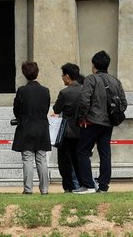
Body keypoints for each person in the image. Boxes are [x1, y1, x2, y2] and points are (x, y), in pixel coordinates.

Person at [74, 50, 127, 194]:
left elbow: (85, 100)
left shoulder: (91, 79)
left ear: (94, 65)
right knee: (105, 153)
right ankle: (103, 185)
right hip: (108, 123)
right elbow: (123, 103)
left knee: (82, 152)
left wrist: (82, 117)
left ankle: (88, 185)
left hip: (92, 121)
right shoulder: (116, 81)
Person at [12, 60, 52, 195]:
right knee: (41, 159)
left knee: (28, 159)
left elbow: (16, 110)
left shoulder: (22, 91)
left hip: (26, 126)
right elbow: (46, 108)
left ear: (24, 74)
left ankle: (28, 189)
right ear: (37, 73)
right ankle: (44, 189)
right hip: (41, 126)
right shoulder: (45, 91)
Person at [53, 63, 85, 193]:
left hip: (66, 132)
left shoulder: (64, 93)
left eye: (63, 75)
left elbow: (56, 109)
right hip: (82, 131)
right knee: (79, 160)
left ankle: (69, 186)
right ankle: (82, 184)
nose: (62, 78)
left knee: (65, 162)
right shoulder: (84, 90)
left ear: (67, 76)